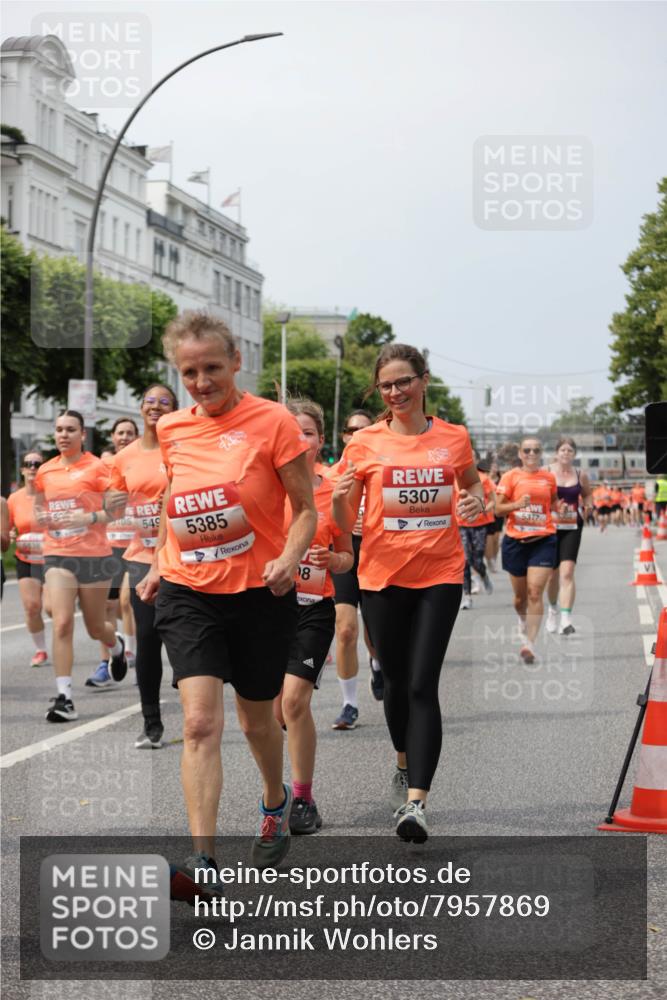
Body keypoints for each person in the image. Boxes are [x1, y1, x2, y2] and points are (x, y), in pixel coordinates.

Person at [136, 312, 316, 895]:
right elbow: (174, 500)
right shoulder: (173, 430)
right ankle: (203, 860)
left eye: (212, 367)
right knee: (198, 722)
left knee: (258, 721)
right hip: (190, 591)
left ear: (237, 361)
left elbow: (305, 509)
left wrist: (289, 559)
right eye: (190, 371)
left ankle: (274, 800)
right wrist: (161, 561)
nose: (202, 380)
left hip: (260, 593)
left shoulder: (274, 422)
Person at [333, 344, 484, 843]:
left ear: (423, 380)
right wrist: (337, 502)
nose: (395, 392)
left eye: (404, 382)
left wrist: (474, 499)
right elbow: (345, 522)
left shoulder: (454, 438)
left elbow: (472, 488)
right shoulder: (365, 444)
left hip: (439, 574)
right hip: (381, 577)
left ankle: (416, 803)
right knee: (395, 683)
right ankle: (402, 761)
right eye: (386, 385)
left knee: (422, 684)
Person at [274, 399, 353, 833]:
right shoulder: (265, 485)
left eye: (306, 431)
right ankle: (277, 791)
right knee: (271, 714)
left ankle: (302, 799)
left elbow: (346, 557)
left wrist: (331, 559)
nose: (298, 439)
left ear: (320, 440)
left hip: (313, 609)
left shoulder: (334, 488)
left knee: (293, 701)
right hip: (266, 609)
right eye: (291, 431)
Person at [34, 410, 128, 722]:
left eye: (70, 430)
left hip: (94, 556)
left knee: (95, 627)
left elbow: (116, 511)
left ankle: (115, 645)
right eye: (59, 429)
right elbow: (39, 508)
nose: (63, 435)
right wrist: (43, 518)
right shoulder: (45, 472)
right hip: (57, 553)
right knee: (61, 622)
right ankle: (65, 697)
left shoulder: (98, 468)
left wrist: (87, 518)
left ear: (82, 434)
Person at [107, 386, 177, 747]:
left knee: (180, 635)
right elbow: (114, 504)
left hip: (181, 554)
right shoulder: (125, 457)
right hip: (140, 556)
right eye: (150, 401)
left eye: (164, 402)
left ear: (175, 410)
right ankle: (152, 722)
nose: (156, 407)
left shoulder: (183, 447)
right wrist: (112, 502)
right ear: (140, 409)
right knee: (148, 638)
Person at [328, 409, 384, 728]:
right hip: (343, 553)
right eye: (352, 430)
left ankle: (377, 663)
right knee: (346, 628)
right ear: (344, 436)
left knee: (376, 636)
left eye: (366, 430)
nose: (358, 435)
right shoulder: (330, 474)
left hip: (377, 555)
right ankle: (349, 704)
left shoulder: (381, 471)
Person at [494, 437, 560, 664]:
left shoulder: (549, 478)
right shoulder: (510, 477)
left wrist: (560, 511)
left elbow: (553, 503)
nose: (532, 454)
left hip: (543, 540)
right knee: (520, 599)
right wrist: (516, 505)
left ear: (541, 453)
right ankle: (522, 620)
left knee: (535, 592)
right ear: (520, 454)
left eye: (536, 450)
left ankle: (530, 644)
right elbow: (497, 509)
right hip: (515, 542)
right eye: (527, 450)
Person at [87, 416, 139, 688]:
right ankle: (107, 661)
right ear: (112, 436)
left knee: (128, 600)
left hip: (136, 545)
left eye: (130, 433)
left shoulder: (143, 463)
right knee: (108, 606)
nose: (125, 437)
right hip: (108, 548)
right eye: (120, 433)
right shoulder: (102, 467)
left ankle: (132, 654)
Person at [545, 437, 593, 636]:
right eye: (563, 450)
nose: (566, 453)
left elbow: (588, 494)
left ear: (574, 454)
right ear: (557, 453)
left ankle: (566, 619)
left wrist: (587, 508)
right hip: (550, 527)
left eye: (570, 451)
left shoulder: (580, 474)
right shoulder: (546, 473)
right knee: (552, 575)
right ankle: (552, 610)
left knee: (567, 572)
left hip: (573, 526)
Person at [7, 451, 49, 666]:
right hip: (26, 558)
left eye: (37, 464)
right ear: (22, 469)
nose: (32, 468)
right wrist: (11, 533)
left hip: (52, 558)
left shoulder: (52, 495)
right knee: (32, 607)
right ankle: (41, 649)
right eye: (28, 464)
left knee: (52, 608)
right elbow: (9, 527)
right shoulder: (14, 499)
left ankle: (63, 641)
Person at [459, 457, 495, 609]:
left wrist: (483, 508)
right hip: (461, 525)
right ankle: (467, 596)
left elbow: (493, 501)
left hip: (480, 524)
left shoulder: (483, 479)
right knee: (465, 560)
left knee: (477, 559)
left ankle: (483, 574)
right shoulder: (453, 478)